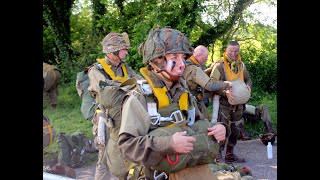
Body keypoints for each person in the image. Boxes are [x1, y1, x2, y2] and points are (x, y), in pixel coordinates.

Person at [116, 27, 234, 179]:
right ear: (156, 61)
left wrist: (221, 129)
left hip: (193, 171)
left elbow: (199, 124)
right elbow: (127, 146)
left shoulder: (183, 92)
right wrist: (168, 144)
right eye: (174, 58)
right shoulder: (139, 97)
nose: (182, 64)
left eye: (183, 58)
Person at [86, 32, 143, 180]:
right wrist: (129, 86)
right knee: (104, 157)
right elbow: (105, 89)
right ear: (113, 51)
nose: (126, 51)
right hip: (106, 118)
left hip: (125, 115)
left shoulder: (125, 68)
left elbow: (140, 82)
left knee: (129, 153)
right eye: (123, 49)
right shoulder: (96, 70)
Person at [209, 41, 252, 164]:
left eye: (236, 51)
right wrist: (225, 92)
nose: (233, 54)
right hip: (223, 103)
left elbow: (248, 79)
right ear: (226, 51)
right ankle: (218, 155)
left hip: (238, 104)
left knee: (235, 130)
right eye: (230, 51)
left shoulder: (241, 65)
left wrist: (248, 85)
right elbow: (211, 84)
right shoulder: (219, 65)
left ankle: (230, 154)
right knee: (221, 129)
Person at [182, 45, 231, 120]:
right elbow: (210, 85)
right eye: (205, 57)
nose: (206, 59)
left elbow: (197, 77)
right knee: (205, 122)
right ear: (199, 55)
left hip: (187, 100)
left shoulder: (188, 64)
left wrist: (210, 69)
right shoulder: (194, 69)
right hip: (192, 102)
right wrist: (227, 84)